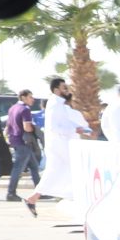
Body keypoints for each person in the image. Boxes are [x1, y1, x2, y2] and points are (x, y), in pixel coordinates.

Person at [23, 77, 92, 216]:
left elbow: (65, 124)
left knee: (55, 172)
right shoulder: (55, 104)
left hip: (60, 144)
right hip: (59, 144)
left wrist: (79, 129)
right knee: (73, 169)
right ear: (56, 90)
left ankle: (33, 199)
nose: (67, 90)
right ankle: (78, 199)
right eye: (64, 88)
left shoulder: (58, 104)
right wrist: (75, 130)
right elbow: (54, 127)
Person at [4, 90, 42, 201]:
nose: (32, 99)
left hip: (15, 141)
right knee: (18, 168)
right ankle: (11, 193)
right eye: (30, 97)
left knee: (34, 167)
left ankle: (39, 192)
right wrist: (35, 130)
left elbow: (8, 126)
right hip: (23, 142)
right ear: (23, 97)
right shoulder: (25, 109)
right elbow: (27, 127)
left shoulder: (13, 108)